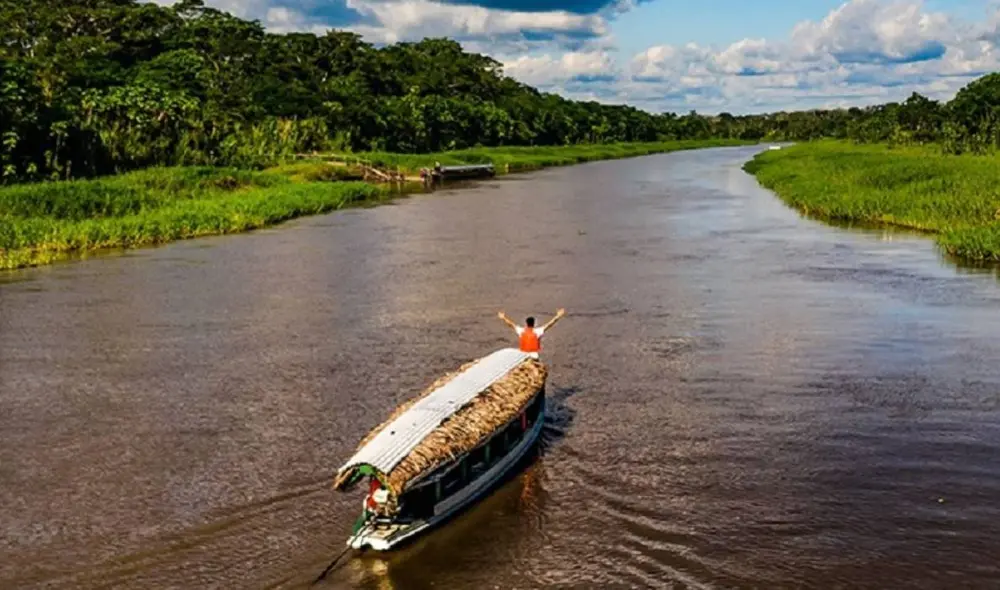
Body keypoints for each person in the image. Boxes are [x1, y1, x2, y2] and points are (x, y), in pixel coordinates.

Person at [497, 309, 565, 358]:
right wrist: (558, 316)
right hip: (534, 356)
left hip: (522, 356)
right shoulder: (537, 331)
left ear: (526, 324)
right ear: (534, 324)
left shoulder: (521, 331)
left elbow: (511, 324)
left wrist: (503, 318)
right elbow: (549, 324)